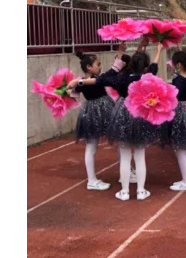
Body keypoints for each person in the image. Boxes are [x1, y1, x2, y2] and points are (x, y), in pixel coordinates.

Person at [68, 42, 159, 201]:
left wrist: (77, 83)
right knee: (138, 153)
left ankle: (124, 190)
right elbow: (152, 67)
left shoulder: (121, 79)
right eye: (97, 64)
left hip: (120, 113)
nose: (100, 66)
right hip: (133, 114)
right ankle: (139, 190)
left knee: (124, 152)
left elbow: (103, 78)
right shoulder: (147, 77)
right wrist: (158, 49)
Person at [158, 51, 186, 191]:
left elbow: (173, 96)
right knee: (183, 149)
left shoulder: (179, 80)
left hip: (181, 113)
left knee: (180, 149)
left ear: (178, 65)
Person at [70, 51, 115, 191]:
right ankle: (91, 180)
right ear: (89, 67)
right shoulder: (90, 80)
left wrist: (73, 87)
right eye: (98, 64)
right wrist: (64, 90)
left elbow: (74, 93)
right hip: (96, 113)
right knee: (92, 146)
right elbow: (73, 93)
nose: (100, 67)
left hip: (95, 112)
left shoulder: (84, 81)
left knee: (96, 145)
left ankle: (93, 179)